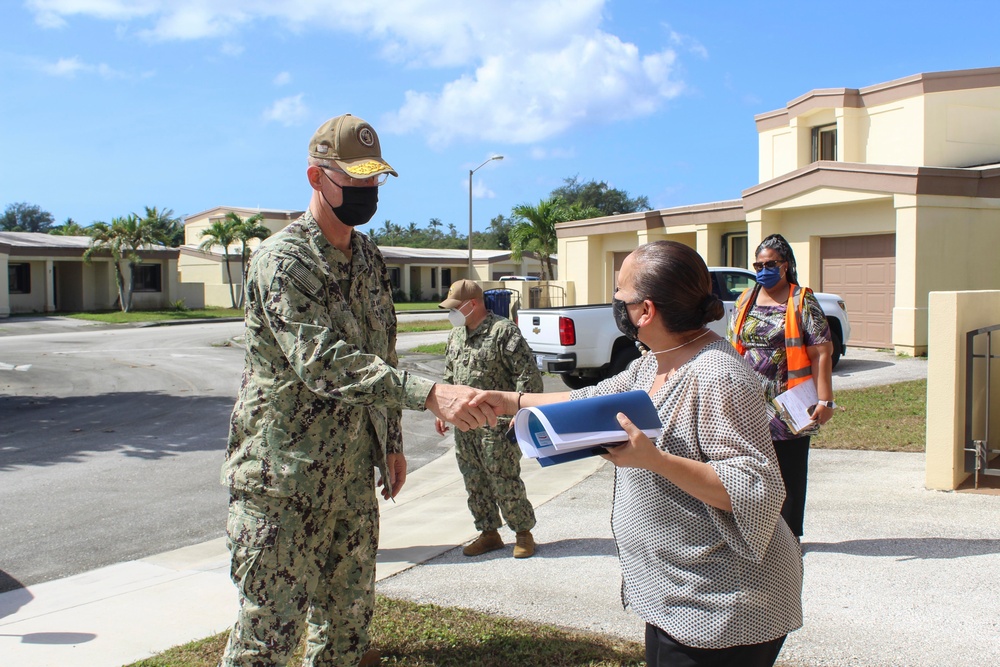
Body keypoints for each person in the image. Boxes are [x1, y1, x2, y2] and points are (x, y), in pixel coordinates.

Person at [220, 113, 497, 667]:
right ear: (316, 178)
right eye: (355, 179)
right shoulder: (283, 260)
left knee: (346, 630)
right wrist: (429, 395)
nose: (368, 191)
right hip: (283, 482)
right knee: (267, 638)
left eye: (375, 179)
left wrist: (390, 443)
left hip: (349, 479)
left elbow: (381, 351)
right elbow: (322, 362)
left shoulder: (369, 258)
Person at [474, 241, 802, 667]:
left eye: (619, 297)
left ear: (645, 311)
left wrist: (655, 460)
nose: (615, 304)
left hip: (722, 609)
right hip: (679, 596)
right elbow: (593, 397)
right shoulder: (655, 361)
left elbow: (756, 488)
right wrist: (508, 401)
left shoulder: (716, 375)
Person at [727, 233, 835, 539]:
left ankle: (789, 538)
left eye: (770, 264)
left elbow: (821, 351)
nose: (763, 270)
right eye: (757, 264)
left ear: (785, 265)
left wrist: (825, 401)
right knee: (753, 471)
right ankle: (759, 533)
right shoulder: (745, 299)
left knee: (789, 472)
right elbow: (733, 345)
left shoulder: (802, 300)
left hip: (790, 401)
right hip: (749, 402)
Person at [435, 279, 544, 558]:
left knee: (504, 478)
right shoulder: (456, 336)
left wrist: (521, 412)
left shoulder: (503, 332)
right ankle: (488, 533)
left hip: (497, 424)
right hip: (465, 423)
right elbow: (450, 375)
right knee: (474, 479)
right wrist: (441, 410)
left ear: (473, 304)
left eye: (456, 307)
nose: (452, 313)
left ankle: (522, 533)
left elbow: (527, 375)